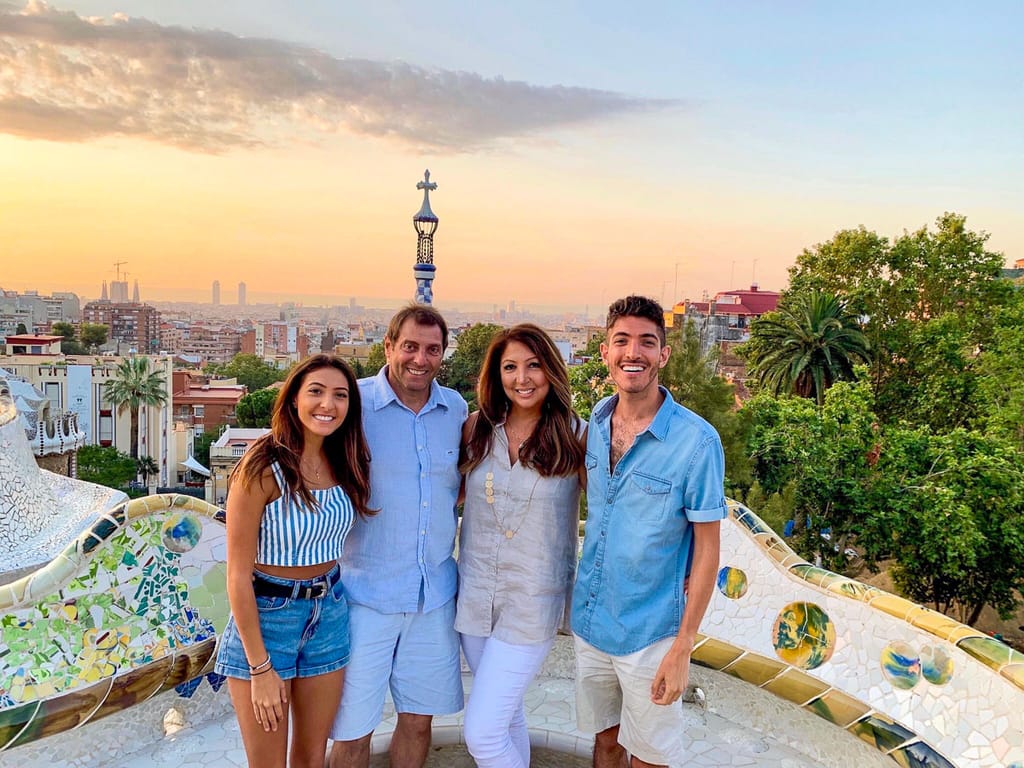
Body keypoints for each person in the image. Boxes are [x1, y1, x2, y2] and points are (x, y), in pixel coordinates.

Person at [571, 296, 727, 768]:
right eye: (621, 341)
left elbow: (707, 551)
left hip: (652, 633)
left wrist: (684, 647)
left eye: (646, 342)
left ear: (664, 354)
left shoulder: (697, 442)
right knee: (605, 744)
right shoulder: (595, 422)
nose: (632, 353)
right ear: (605, 352)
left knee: (649, 759)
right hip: (592, 622)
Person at [214, 354, 373, 768]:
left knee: (310, 759)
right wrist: (260, 667)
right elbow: (236, 576)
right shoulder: (262, 467)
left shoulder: (345, 461)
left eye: (340, 395)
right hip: (268, 619)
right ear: (294, 400)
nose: (328, 404)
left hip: (329, 613)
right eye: (316, 392)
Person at [328, 304, 467, 768]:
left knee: (418, 721)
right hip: (364, 597)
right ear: (388, 346)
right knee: (352, 731)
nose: (420, 359)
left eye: (432, 349)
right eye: (409, 346)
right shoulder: (353, 405)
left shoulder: (455, 409)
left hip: (433, 598)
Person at [457, 324, 586, 768]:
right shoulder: (476, 429)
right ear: (496, 375)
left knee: (482, 733)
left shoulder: (577, 436)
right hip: (473, 598)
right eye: (510, 367)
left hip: (533, 604)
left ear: (551, 371)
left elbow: (612, 512)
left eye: (534, 366)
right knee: (507, 718)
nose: (522, 378)